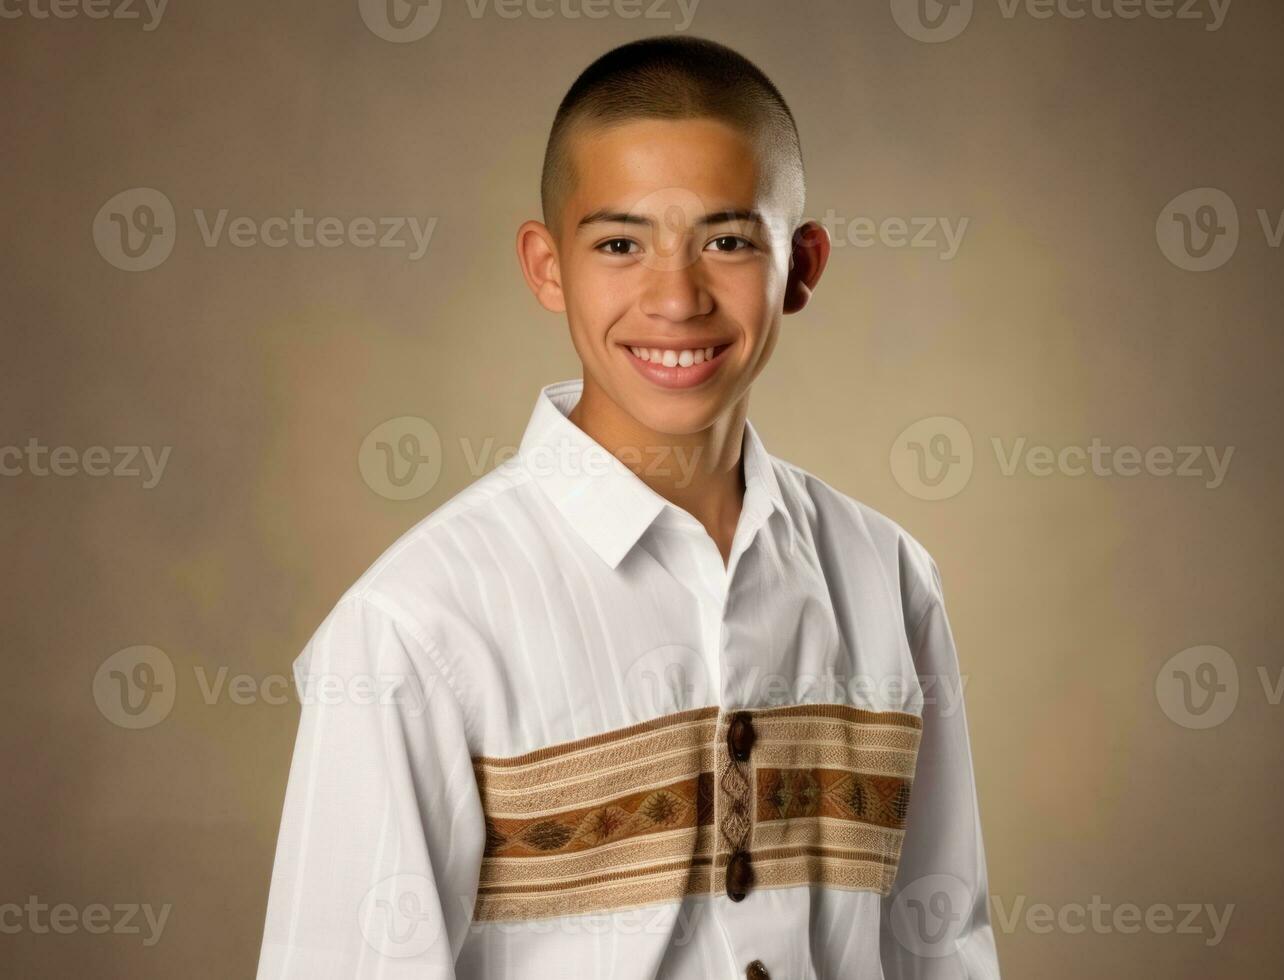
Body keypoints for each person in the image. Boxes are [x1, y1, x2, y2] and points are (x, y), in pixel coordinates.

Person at [256, 34, 1000, 980]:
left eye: (727, 242)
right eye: (619, 244)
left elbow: (940, 948)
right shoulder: (415, 623)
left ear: (801, 266)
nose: (676, 297)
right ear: (546, 266)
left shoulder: (888, 577)